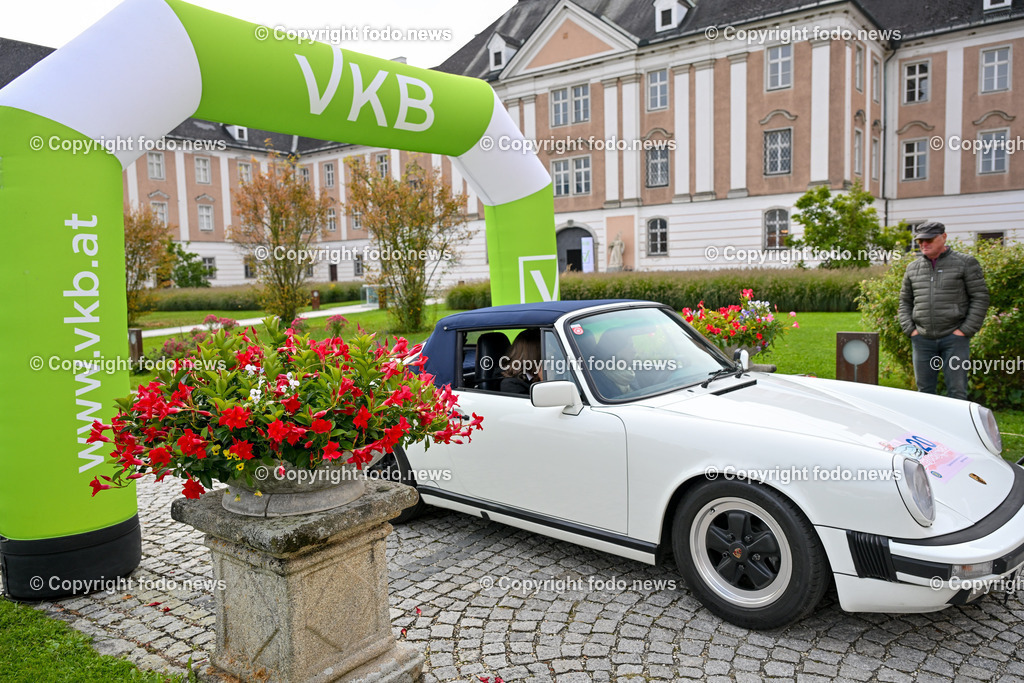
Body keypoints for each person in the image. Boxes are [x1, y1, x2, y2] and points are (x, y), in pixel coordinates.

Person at [898, 221, 989, 401]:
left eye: (929, 239)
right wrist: (911, 330)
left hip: (954, 339)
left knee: (957, 392)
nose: (924, 244)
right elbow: (904, 301)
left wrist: (964, 331)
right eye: (920, 240)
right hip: (922, 339)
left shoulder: (965, 263)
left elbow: (980, 297)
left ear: (944, 237)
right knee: (924, 394)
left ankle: (957, 421)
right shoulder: (912, 268)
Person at [591, 328, 638, 398]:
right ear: (616, 351)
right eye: (630, 346)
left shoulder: (628, 373)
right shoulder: (598, 385)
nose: (635, 351)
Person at [500, 329, 543, 395]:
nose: (553, 352)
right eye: (547, 349)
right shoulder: (511, 384)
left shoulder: (536, 375)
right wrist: (543, 382)